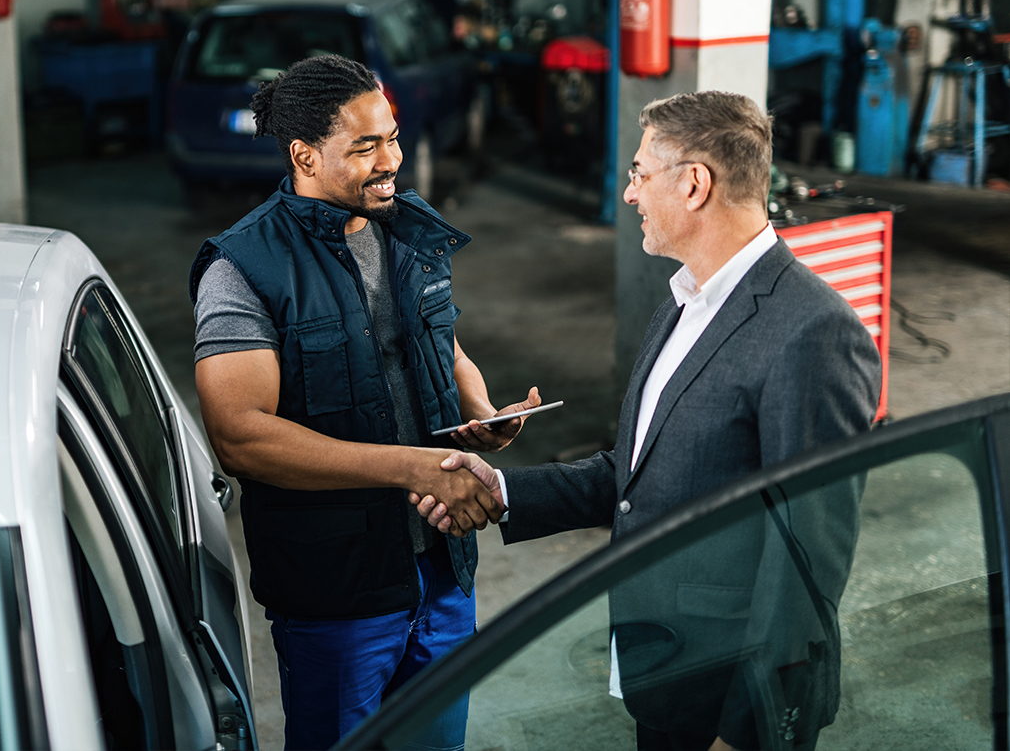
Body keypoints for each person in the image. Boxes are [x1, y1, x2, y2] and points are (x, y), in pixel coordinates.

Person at [414, 90, 882, 751]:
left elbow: (807, 558)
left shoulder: (813, 331)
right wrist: (502, 489)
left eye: (639, 173)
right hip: (664, 666)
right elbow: (639, 476)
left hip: (727, 697)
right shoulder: (683, 303)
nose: (629, 193)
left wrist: (748, 731)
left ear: (694, 184)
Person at [191, 53, 540, 751]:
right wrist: (408, 466)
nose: (393, 160)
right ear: (305, 155)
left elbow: (440, 337)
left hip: (443, 570)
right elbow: (241, 437)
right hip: (338, 591)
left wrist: (479, 409)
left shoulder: (407, 228)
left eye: (392, 137)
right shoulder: (244, 267)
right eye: (366, 146)